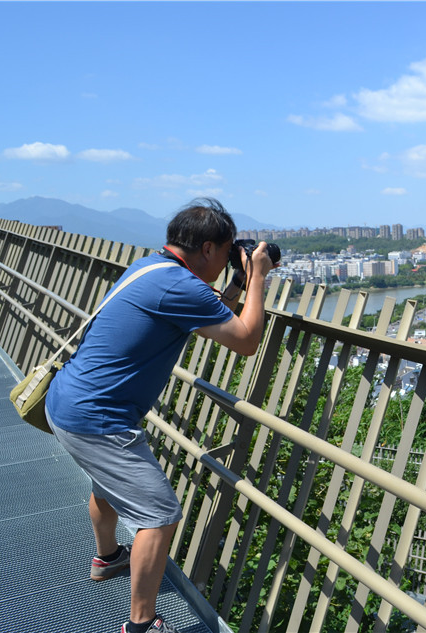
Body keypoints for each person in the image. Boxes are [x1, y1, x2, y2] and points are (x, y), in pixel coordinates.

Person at [45, 198, 274, 633]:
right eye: (227, 254)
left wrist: (240, 284)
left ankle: (109, 557)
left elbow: (210, 311)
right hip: (99, 418)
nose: (229, 262)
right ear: (207, 249)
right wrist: (258, 278)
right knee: (159, 514)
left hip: (67, 402)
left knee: (109, 485)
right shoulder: (180, 288)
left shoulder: (151, 269)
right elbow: (245, 340)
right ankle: (142, 624)